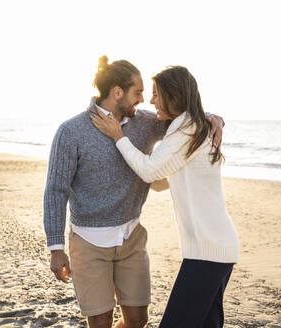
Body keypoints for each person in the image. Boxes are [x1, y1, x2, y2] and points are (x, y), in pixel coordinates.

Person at [43, 56, 224, 328]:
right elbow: (56, 190)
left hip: (132, 239)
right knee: (101, 321)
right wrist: (56, 247)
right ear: (117, 92)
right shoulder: (71, 131)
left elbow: (185, 121)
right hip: (88, 242)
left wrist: (213, 117)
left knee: (138, 320)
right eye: (138, 92)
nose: (144, 99)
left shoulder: (145, 123)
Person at [91, 65, 239, 328]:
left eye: (157, 94)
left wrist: (118, 136)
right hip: (219, 249)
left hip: (207, 252)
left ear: (174, 95)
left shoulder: (187, 129)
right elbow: (161, 180)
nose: (151, 100)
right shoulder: (192, 125)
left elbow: (149, 170)